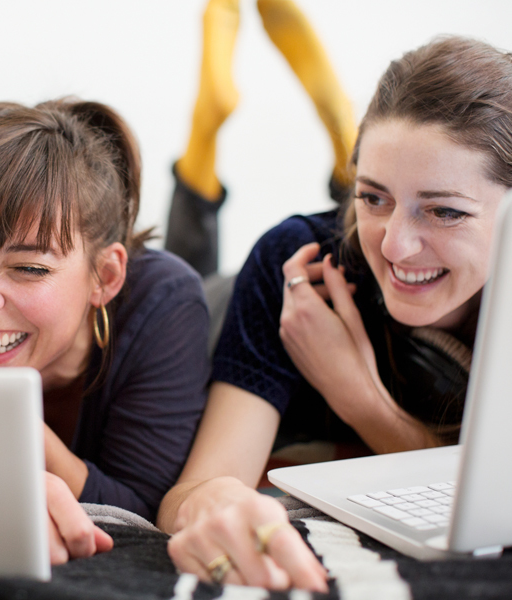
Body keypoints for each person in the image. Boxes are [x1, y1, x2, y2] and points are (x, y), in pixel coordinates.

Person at [158, 35, 512, 591]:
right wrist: (213, 501)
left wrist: (357, 396)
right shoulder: (294, 261)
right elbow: (196, 488)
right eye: (372, 197)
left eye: (443, 211)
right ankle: (211, 150)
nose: (395, 246)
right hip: (212, 309)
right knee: (181, 278)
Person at [0, 99, 211, 558]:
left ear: (107, 276)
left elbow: (142, 514)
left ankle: (201, 161)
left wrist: (3, 418)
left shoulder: (164, 303)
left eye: (29, 269)